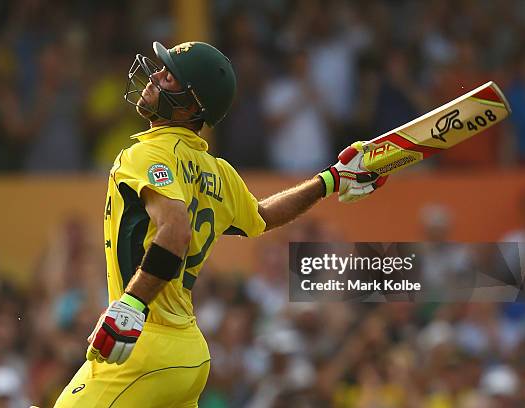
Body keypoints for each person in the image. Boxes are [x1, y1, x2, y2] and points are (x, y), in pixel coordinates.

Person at [54, 41, 388, 407]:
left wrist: (132, 304)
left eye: (170, 77)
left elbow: (176, 230)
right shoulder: (218, 171)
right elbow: (262, 216)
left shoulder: (145, 154)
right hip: (190, 352)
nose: (155, 76)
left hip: (146, 345)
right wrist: (329, 180)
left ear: (191, 106)